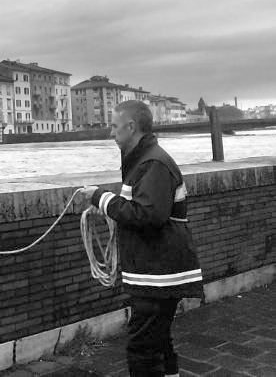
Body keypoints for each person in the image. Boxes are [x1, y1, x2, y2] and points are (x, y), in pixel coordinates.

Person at [79, 100, 203, 377]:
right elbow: (141, 208)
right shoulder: (146, 160)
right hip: (156, 270)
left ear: (130, 126)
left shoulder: (153, 163)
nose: (111, 133)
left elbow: (148, 215)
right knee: (159, 342)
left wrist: (101, 197)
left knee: (142, 348)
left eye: (114, 126)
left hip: (158, 272)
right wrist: (108, 206)